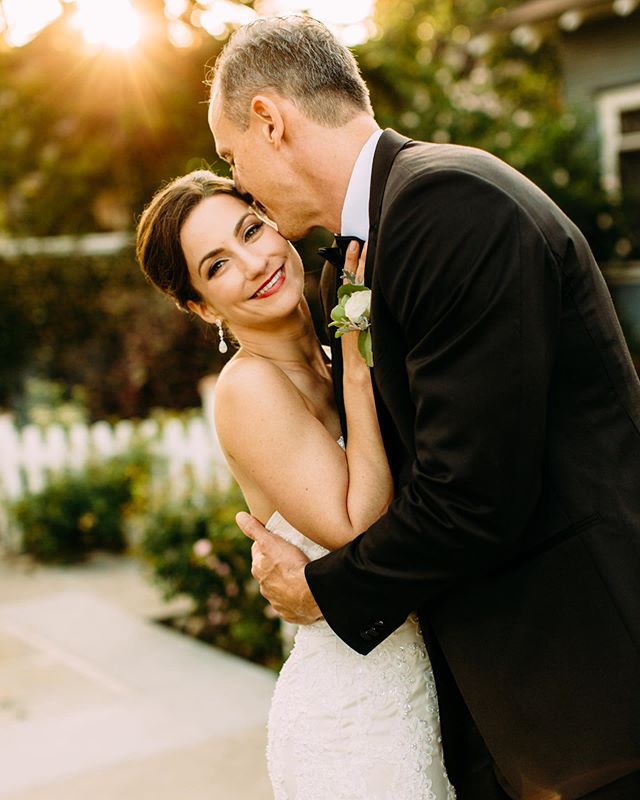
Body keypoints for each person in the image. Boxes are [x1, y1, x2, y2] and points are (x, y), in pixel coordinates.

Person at [207, 14, 640, 800]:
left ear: (271, 120)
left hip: (594, 691)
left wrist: (324, 589)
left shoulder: (448, 208)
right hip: (523, 704)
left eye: (234, 158)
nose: (243, 183)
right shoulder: (378, 238)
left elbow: (472, 495)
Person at [135, 170, 456, 799]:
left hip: (428, 701)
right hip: (357, 729)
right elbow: (360, 528)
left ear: (275, 222)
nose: (256, 262)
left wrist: (348, 361)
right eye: (219, 265)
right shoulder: (249, 389)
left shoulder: (331, 361)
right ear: (201, 305)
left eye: (251, 229)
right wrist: (359, 371)